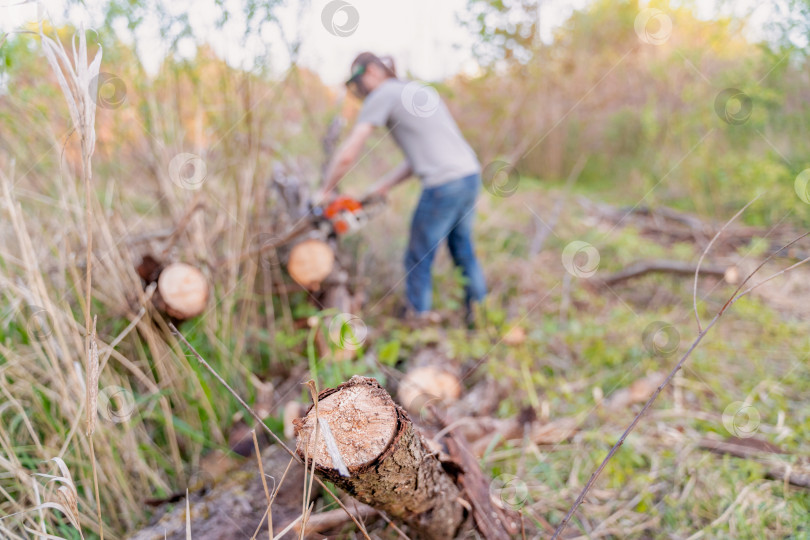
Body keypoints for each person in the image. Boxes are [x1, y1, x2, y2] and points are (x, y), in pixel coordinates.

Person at [318, 52, 486, 326]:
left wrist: (326, 189)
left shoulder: (383, 94)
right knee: (463, 251)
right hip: (468, 176)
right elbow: (420, 156)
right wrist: (384, 186)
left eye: (359, 81)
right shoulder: (414, 91)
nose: (360, 90)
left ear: (372, 71)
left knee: (418, 258)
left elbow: (351, 150)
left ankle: (419, 323)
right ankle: (480, 319)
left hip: (443, 184)